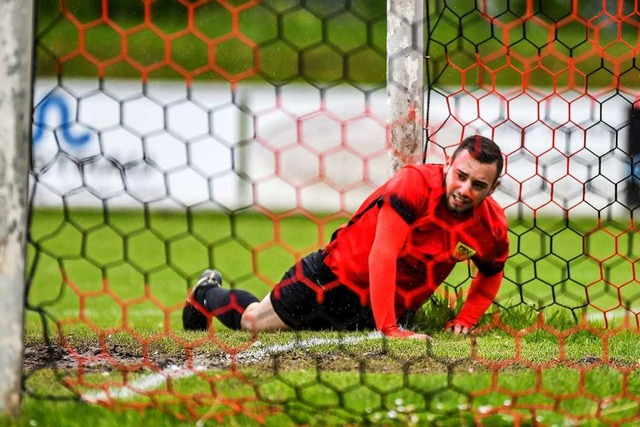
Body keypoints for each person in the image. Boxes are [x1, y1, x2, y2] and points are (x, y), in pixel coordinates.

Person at [182, 135, 509, 338]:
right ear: (448, 163)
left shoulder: (491, 226)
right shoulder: (414, 184)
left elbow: (491, 273)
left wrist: (466, 318)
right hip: (332, 279)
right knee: (253, 323)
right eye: (460, 176)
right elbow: (382, 254)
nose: (465, 190)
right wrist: (390, 330)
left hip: (386, 304)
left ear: (493, 189)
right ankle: (206, 293)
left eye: (478, 185)